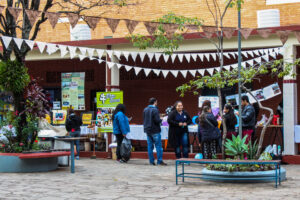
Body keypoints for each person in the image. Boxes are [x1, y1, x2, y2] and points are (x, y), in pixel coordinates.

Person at [143, 98, 167, 166]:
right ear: (155, 102)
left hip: (147, 130)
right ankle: (159, 161)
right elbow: (157, 120)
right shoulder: (155, 109)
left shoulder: (145, 109)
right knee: (158, 146)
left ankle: (151, 161)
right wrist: (161, 119)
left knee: (150, 146)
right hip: (155, 130)